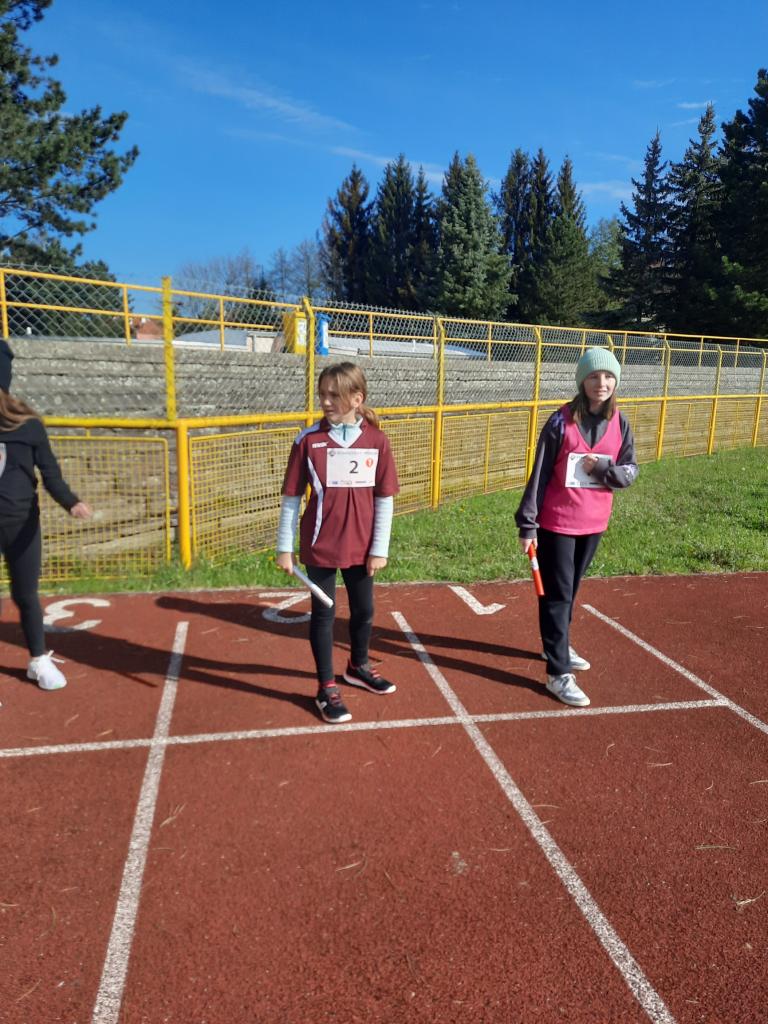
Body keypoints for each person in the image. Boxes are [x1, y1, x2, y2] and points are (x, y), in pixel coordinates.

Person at [275, 362, 400, 724]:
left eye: (334, 395)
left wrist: (379, 549)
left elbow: (384, 499)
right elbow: (291, 498)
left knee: (364, 611)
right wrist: (285, 547)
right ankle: (326, 687)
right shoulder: (307, 440)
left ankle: (358, 666)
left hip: (362, 547)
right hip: (321, 546)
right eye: (323, 394)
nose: (326, 401)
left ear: (357, 399)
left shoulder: (377, 441)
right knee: (323, 616)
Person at [516, 347, 638, 708]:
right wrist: (528, 524)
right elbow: (539, 474)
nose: (602, 383)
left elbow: (630, 470)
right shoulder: (560, 421)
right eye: (594, 376)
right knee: (558, 594)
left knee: (569, 590)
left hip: (594, 522)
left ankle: (557, 643)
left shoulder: (621, 423)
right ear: (582, 381)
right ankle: (557, 672)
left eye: (608, 376)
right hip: (557, 522)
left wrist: (602, 470)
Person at [0, 340, 92, 690]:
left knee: (26, 595)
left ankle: (38, 660)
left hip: (22, 526)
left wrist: (71, 502)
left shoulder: (28, 426)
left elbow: (51, 474)